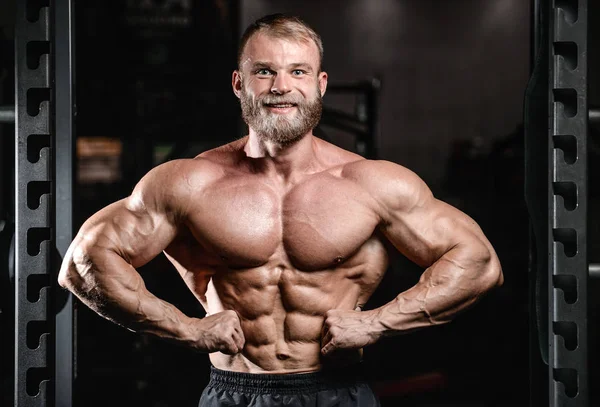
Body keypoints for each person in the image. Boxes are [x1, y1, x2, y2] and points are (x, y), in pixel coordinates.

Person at [58, 13, 503, 407]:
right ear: (239, 83)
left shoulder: (372, 183)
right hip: (234, 389)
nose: (281, 86)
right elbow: (83, 262)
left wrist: (377, 324)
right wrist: (187, 329)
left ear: (320, 84)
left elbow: (478, 263)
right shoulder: (188, 182)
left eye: (298, 71)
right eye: (265, 71)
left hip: (338, 389)